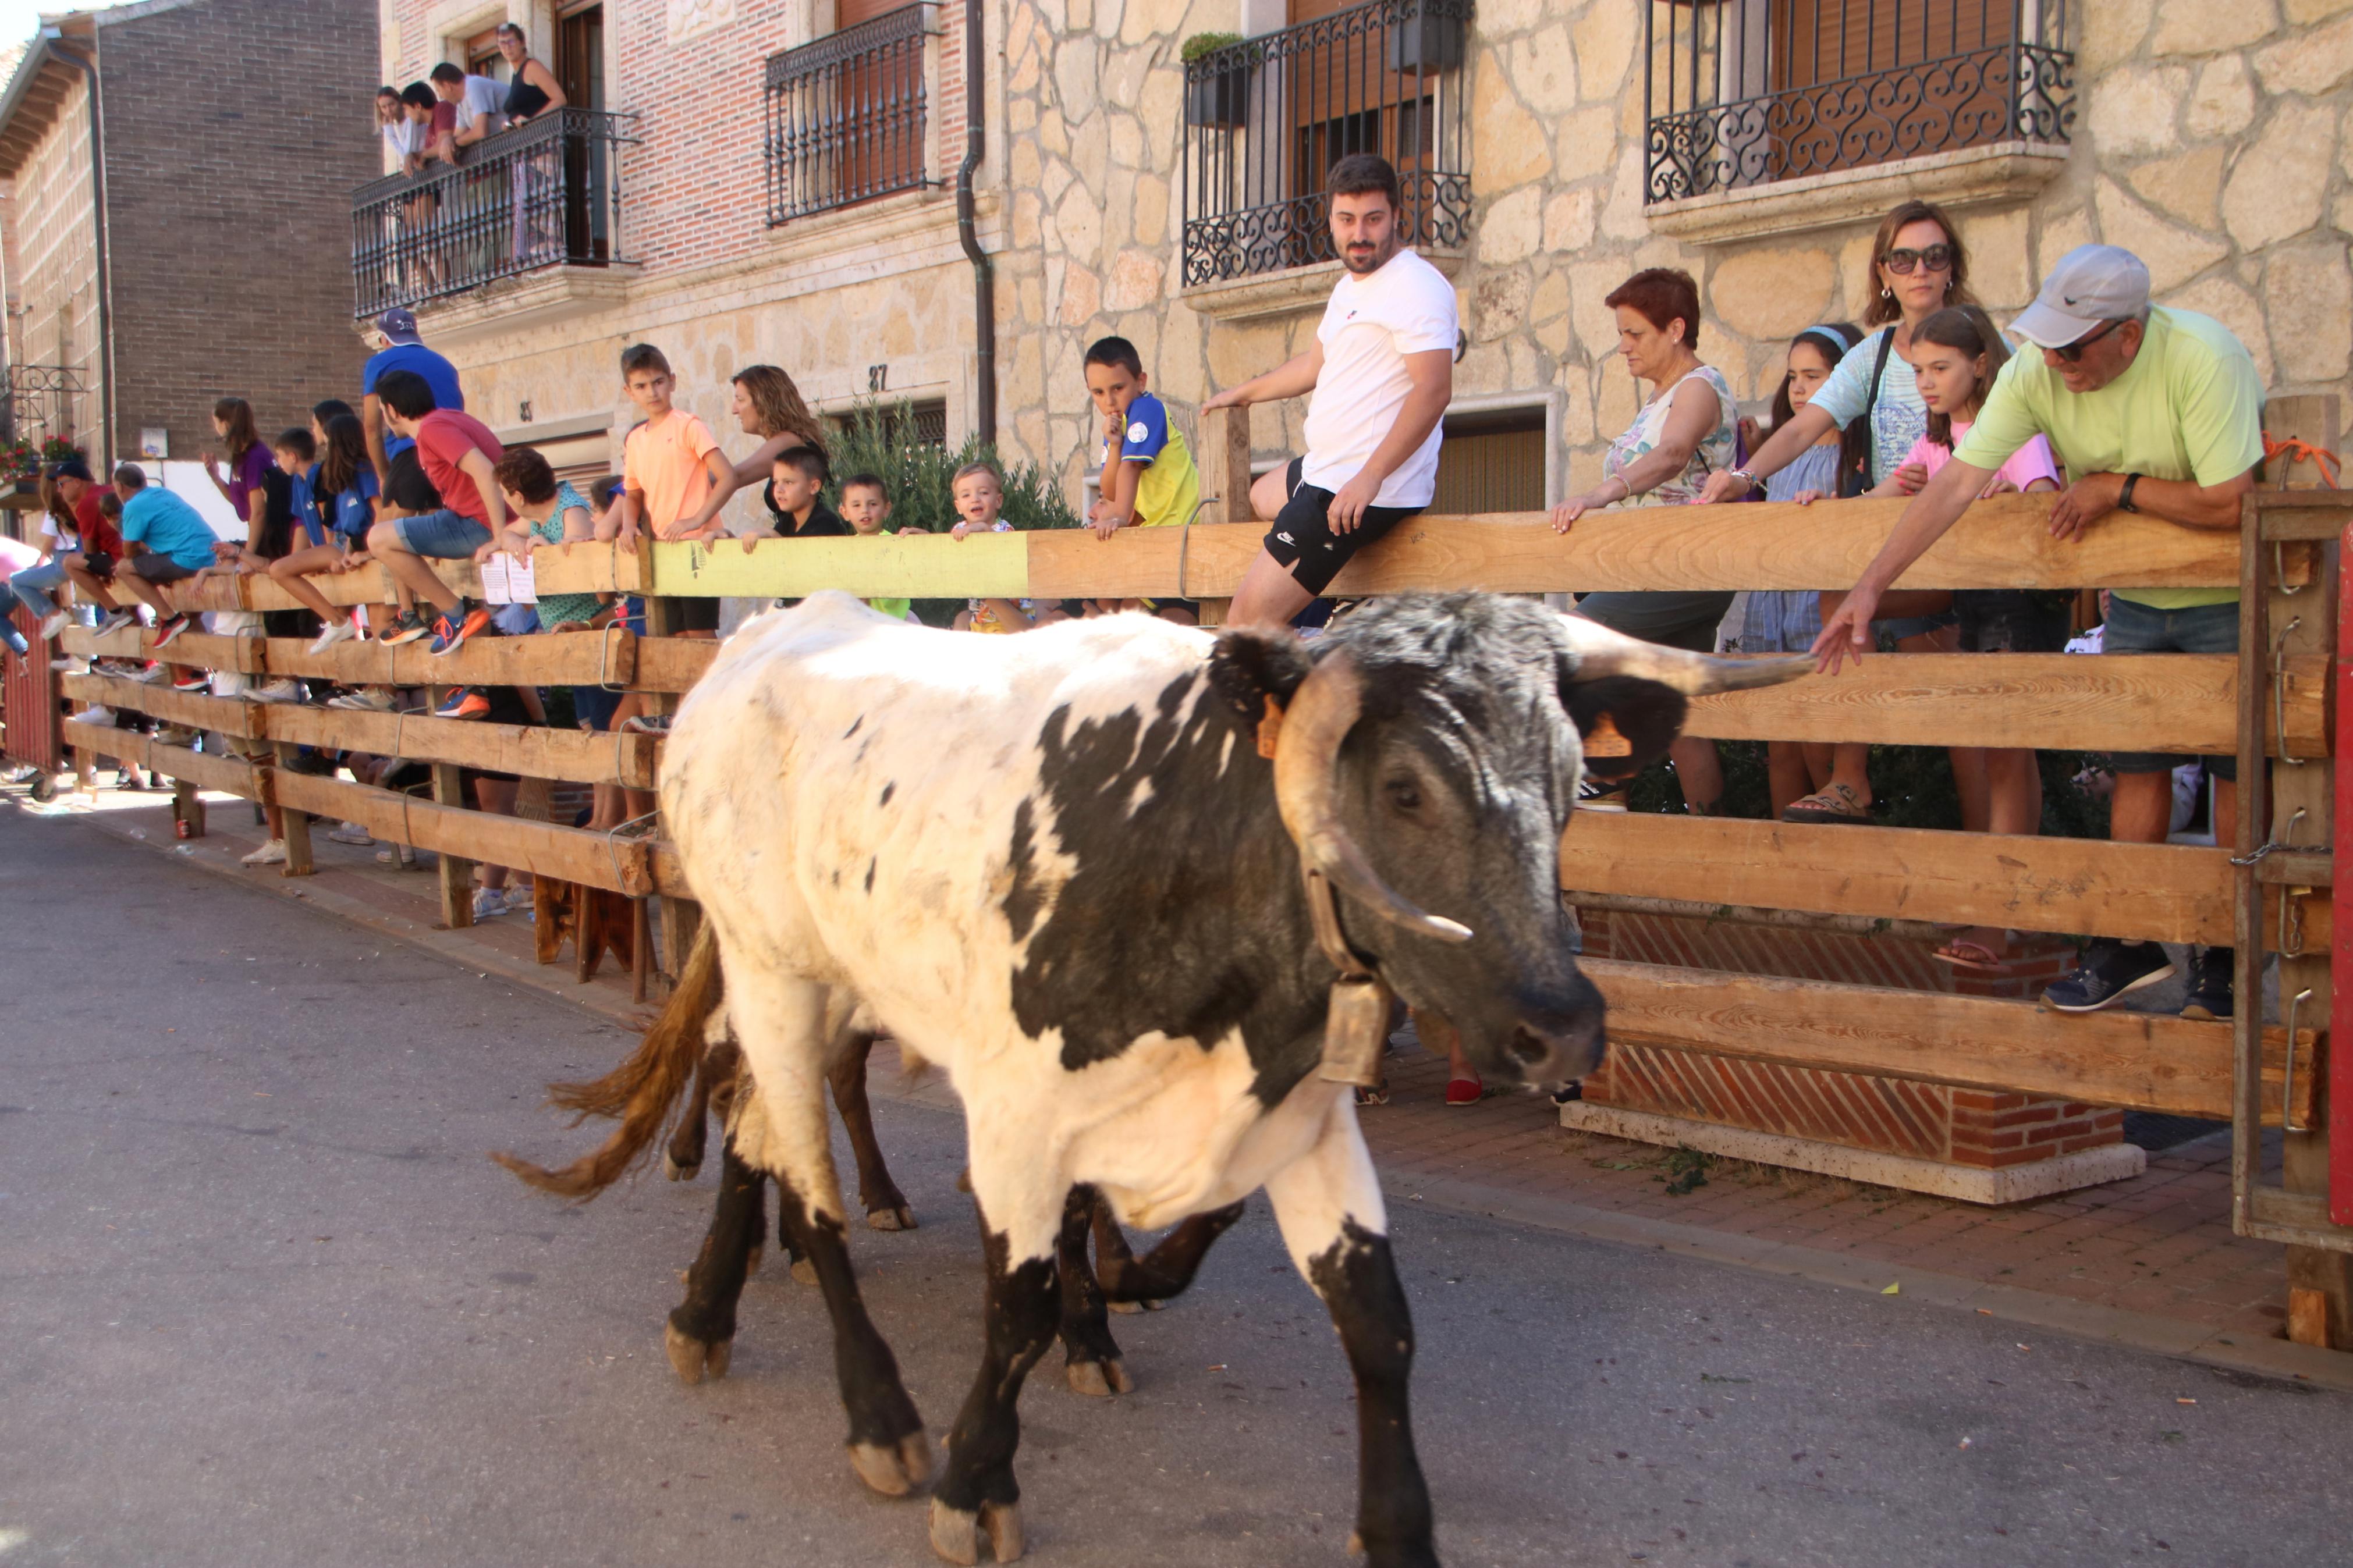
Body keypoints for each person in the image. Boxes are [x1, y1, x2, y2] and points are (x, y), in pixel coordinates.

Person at [1811, 244, 2264, 1019]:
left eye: (2073, 345)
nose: (2056, 360)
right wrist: (1870, 584)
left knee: (2230, 771)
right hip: (2138, 600)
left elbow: (2230, 501)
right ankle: (2128, 939)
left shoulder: (2200, 356)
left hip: (2226, 592)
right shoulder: (2034, 370)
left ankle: (2225, 951)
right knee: (2135, 764)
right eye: (2048, 342)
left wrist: (2113, 488)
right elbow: (1954, 482)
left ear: (2127, 334)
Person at [1703, 199, 1981, 826]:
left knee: (1972, 731)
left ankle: (1996, 888)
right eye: (1903, 258)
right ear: (1883, 272)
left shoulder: (1984, 341)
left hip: (1970, 539)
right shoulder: (1875, 353)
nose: (1919, 270)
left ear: (1950, 267)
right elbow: (1805, 428)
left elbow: (2019, 430)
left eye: (1933, 256)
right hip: (1899, 543)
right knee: (1844, 607)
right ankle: (1849, 781)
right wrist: (1744, 475)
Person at [1200, 154, 1456, 627]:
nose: (1359, 233)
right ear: (1331, 221)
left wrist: (1370, 476)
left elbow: (1433, 391)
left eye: (1373, 219)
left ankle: (1325, 645)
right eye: (1347, 219)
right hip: (1327, 470)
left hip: (1360, 489)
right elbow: (1315, 364)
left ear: (1397, 217)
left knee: (1242, 627)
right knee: (1261, 496)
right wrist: (1242, 393)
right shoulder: (1349, 287)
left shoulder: (1417, 287)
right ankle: (1335, 612)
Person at [1545, 267, 1739, 814]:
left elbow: (1674, 454)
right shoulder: (1659, 396)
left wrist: (1601, 492)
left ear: (1675, 329)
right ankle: (1716, 849)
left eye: (1635, 334)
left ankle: (1601, 773)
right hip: (1653, 567)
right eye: (1621, 333)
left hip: (1680, 567)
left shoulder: (1700, 386)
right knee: (1681, 718)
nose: (1623, 346)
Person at [1730, 324, 1864, 817]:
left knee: (1817, 731)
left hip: (1818, 605)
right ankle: (1780, 848)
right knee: (1780, 742)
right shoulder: (1782, 456)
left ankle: (1827, 844)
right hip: (1773, 606)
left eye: (1814, 375)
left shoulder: (1852, 457)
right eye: (1792, 377)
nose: (1800, 388)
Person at [363, 367, 508, 653]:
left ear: (391, 410)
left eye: (382, 411)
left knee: (378, 539)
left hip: (479, 526)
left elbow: (485, 470)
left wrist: (501, 535)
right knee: (395, 536)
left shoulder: (433, 429)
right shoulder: (449, 419)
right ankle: (423, 617)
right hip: (470, 520)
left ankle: (456, 613)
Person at [1081, 334, 1203, 624]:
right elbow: (1110, 489)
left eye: (1118, 388)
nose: (1109, 401)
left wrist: (1121, 517)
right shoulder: (1116, 424)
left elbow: (1132, 468)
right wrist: (1113, 446)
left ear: (1141, 382)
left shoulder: (1147, 409)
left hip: (1184, 527)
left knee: (1133, 613)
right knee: (1122, 608)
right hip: (1159, 532)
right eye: (1098, 393)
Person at [613, 342, 733, 634]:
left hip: (698, 546)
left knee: (701, 636)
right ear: (629, 392)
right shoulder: (635, 440)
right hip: (663, 550)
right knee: (676, 638)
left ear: (672, 381)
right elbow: (633, 493)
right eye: (641, 386)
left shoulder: (689, 426)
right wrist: (628, 525)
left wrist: (697, 520)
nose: (652, 392)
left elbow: (728, 477)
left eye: (658, 382)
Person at [673, 364, 828, 539]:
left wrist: (679, 487)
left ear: (764, 402)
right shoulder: (791, 440)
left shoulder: (787, 443)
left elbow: (731, 477)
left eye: (740, 400)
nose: (734, 409)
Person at [269, 414, 378, 650]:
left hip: (358, 547)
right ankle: (337, 622)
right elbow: (343, 526)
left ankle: (338, 622)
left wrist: (356, 553)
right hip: (344, 546)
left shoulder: (364, 472)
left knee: (373, 620)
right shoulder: (342, 476)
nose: (325, 450)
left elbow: (377, 518)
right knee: (279, 569)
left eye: (328, 444)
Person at [361, 308, 464, 490]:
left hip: (410, 452)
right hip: (452, 453)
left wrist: (383, 476)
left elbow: (371, 428)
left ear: (384, 339)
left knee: (390, 518)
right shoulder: (445, 364)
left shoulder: (379, 363)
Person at [946, 463, 1033, 632]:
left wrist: (982, 529)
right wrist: (921, 536)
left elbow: (1001, 552)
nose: (975, 499)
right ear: (958, 506)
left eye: (984, 493)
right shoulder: (960, 529)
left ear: (998, 500)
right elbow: (946, 553)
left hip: (1011, 616)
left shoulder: (1005, 529)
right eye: (966, 495)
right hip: (980, 616)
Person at [840, 472, 921, 621]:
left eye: (873, 504)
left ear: (886, 509)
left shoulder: (894, 542)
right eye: (856, 505)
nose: (865, 510)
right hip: (862, 621)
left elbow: (926, 551)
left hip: (898, 620)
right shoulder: (846, 549)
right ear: (844, 512)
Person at [768, 446, 847, 539]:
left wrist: (772, 535)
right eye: (776, 482)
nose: (779, 490)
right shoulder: (788, 521)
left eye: (788, 482)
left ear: (813, 487)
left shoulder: (825, 524)